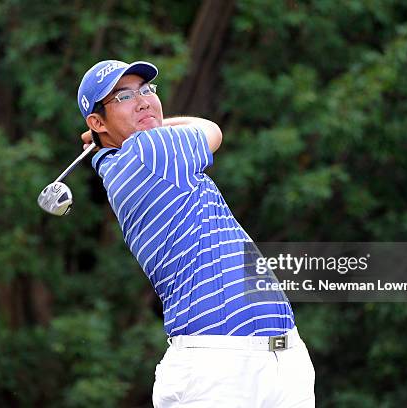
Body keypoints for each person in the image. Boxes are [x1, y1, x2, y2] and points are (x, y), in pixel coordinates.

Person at [76, 60, 315, 407]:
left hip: (279, 357)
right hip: (219, 367)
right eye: (123, 97)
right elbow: (211, 129)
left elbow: (157, 128)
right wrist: (117, 135)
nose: (143, 101)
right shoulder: (149, 153)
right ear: (97, 122)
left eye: (145, 90)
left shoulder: (128, 158)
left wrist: (105, 136)